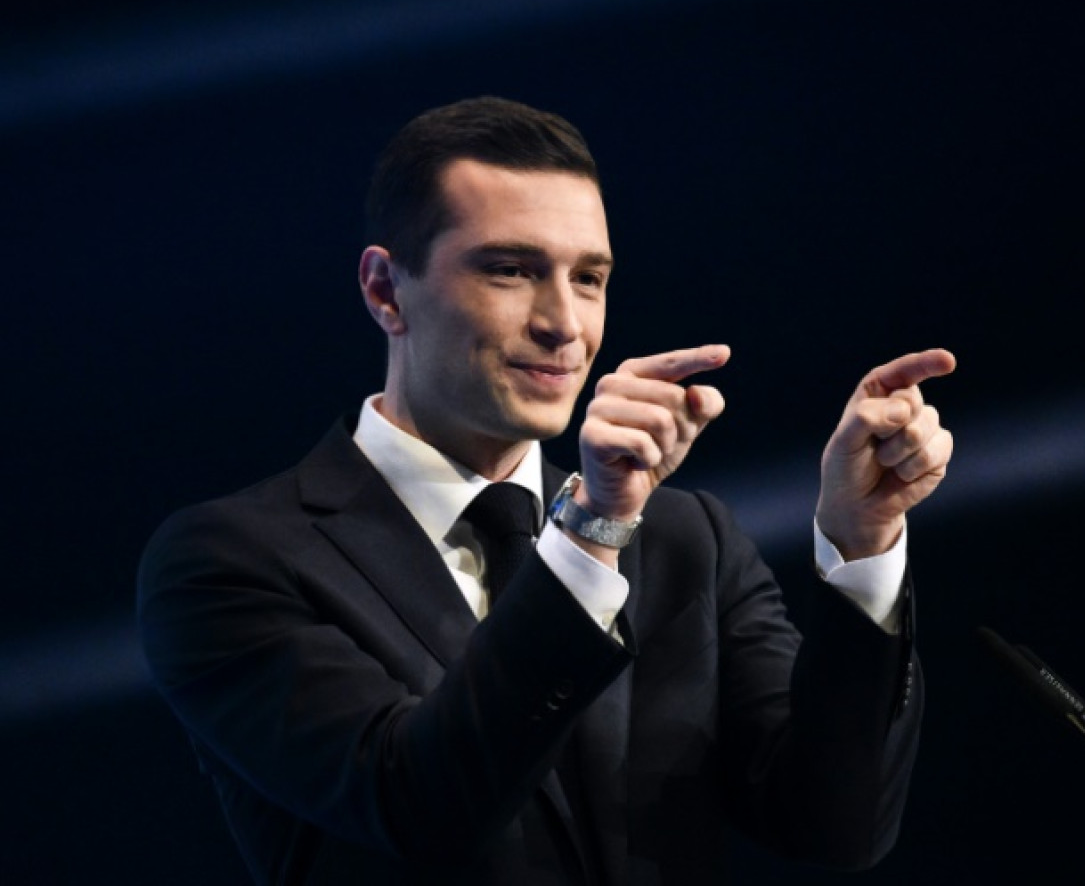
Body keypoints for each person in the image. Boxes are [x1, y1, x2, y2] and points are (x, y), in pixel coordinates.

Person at [137, 96, 956, 885]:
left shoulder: (686, 541)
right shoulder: (229, 560)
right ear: (386, 290)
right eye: (510, 270)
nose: (565, 324)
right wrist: (593, 529)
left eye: (589, 278)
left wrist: (861, 539)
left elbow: (834, 825)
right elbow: (414, 803)